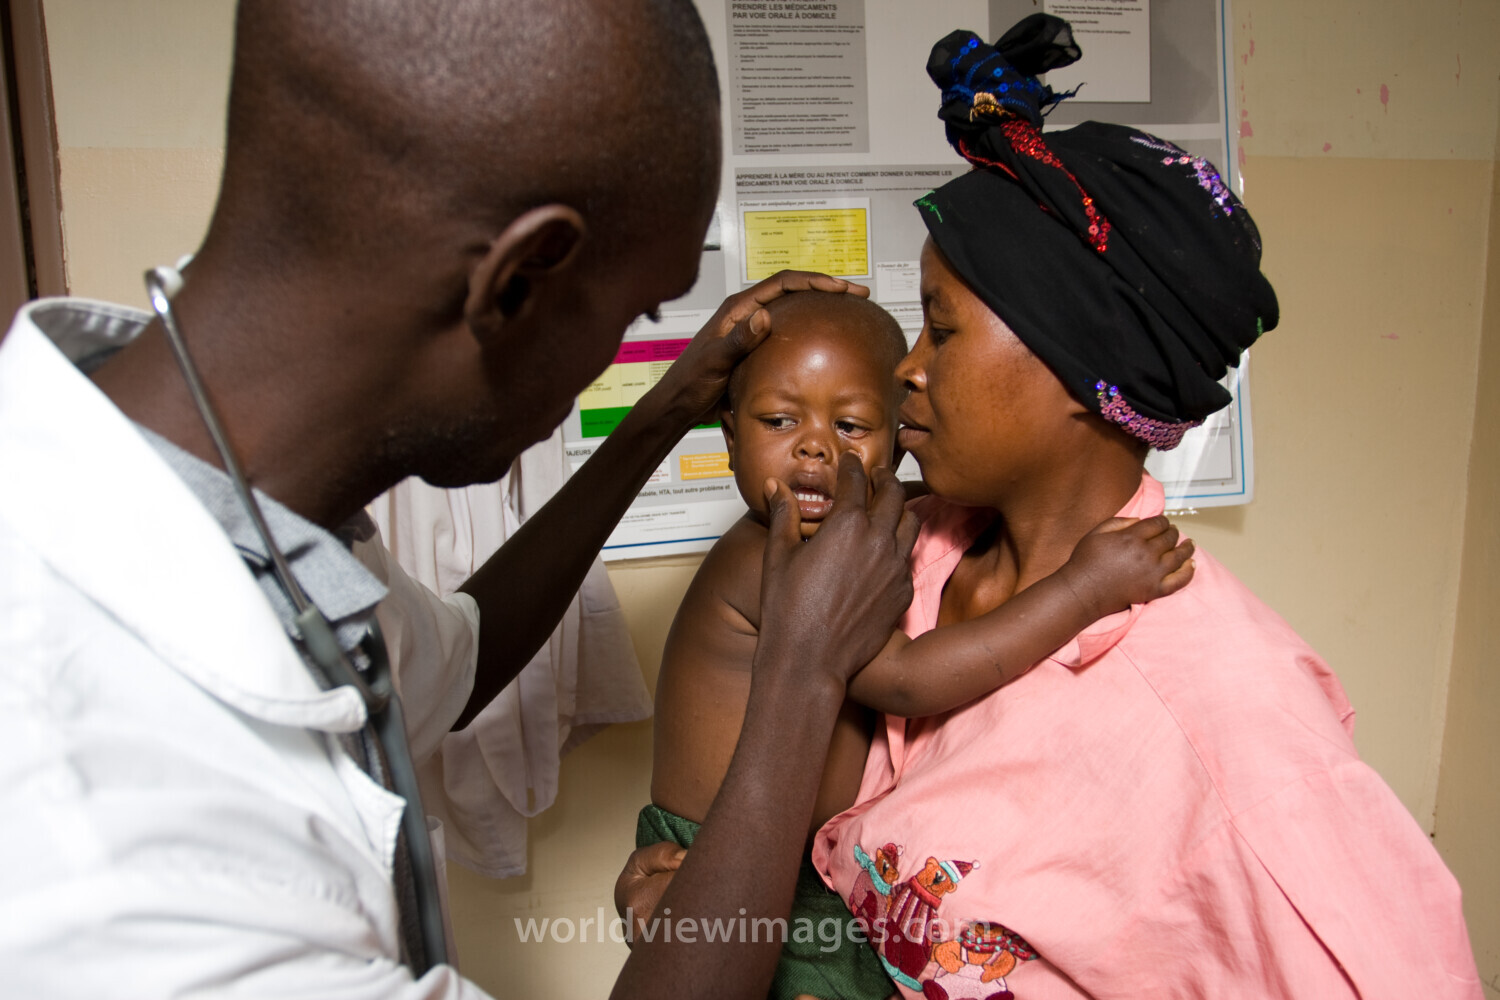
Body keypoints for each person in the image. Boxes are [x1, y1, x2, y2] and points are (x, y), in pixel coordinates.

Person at [0, 1, 919, 998]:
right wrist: (799, 678)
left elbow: (458, 659)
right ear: (514, 284)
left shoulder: (233, 500)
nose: (627, 351)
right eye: (630, 314)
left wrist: (662, 412)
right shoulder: (98, 842)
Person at [798, 18, 1480, 999]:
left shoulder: (1227, 727)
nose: (905, 368)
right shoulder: (921, 553)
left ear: (1084, 371)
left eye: (942, 330)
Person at [640, 291, 1195, 999]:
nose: (814, 446)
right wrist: (1081, 591)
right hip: (721, 865)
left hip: (815, 870)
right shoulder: (766, 559)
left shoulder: (866, 522)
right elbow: (904, 681)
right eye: (779, 420)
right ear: (728, 441)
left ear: (896, 438)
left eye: (850, 425)